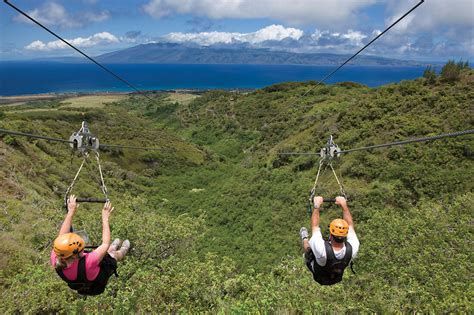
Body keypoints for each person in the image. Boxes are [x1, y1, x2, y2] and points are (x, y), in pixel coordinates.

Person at [51, 195, 130, 295]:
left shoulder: (56, 256)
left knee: (106, 250)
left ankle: (113, 247)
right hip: (95, 282)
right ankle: (121, 251)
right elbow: (105, 243)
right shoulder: (90, 261)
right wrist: (105, 218)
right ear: (76, 254)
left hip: (80, 278)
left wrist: (71, 212)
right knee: (111, 255)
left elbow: (62, 236)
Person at [299, 196, 359, 285]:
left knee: (309, 251)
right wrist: (344, 206)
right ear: (345, 234)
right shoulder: (353, 248)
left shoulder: (321, 249)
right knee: (317, 247)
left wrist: (316, 206)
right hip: (336, 276)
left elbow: (315, 226)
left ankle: (304, 238)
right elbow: (350, 225)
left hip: (319, 274)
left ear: (331, 234)